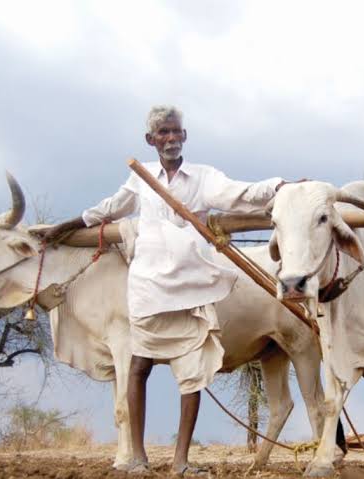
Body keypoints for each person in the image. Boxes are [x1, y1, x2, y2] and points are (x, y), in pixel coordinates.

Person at [38, 105, 286, 476]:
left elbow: (239, 194)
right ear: (150, 140)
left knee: (192, 373)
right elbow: (112, 208)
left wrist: (280, 188)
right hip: (148, 285)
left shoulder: (204, 178)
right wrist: (68, 226)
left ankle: (182, 461)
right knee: (138, 367)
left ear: (184, 136)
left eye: (175, 132)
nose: (170, 138)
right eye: (163, 133)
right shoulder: (140, 178)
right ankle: (137, 457)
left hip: (190, 285)